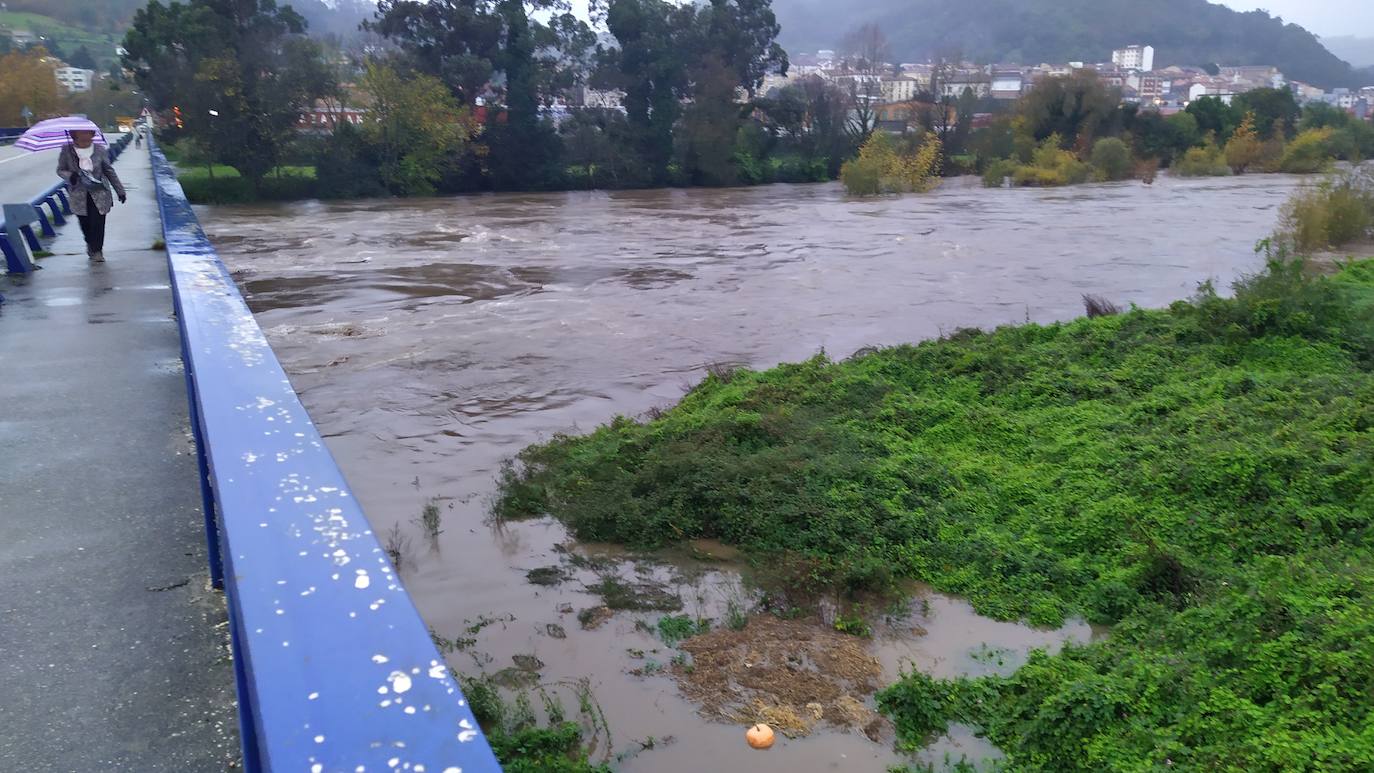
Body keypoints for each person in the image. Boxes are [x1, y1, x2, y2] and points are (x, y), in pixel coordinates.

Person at [56, 129, 125, 262]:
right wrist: (70, 175)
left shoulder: (99, 149)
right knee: (85, 223)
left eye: (88, 132)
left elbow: (109, 170)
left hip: (99, 192)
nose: (85, 135)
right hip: (79, 195)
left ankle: (97, 250)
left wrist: (120, 190)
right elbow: (60, 170)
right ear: (74, 134)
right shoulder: (67, 150)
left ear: (93, 134)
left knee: (98, 223)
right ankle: (90, 243)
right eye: (82, 132)